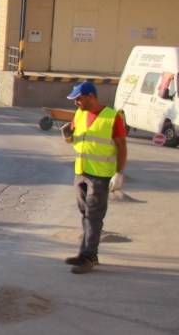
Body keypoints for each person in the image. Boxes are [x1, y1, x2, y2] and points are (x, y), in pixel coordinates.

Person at [60, 81, 127, 274]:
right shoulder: (80, 114)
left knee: (93, 215)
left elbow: (122, 145)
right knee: (84, 212)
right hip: (81, 171)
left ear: (91, 96)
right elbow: (76, 136)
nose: (76, 103)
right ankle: (91, 253)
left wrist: (119, 172)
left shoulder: (111, 117)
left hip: (101, 174)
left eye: (79, 99)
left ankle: (87, 257)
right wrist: (67, 135)